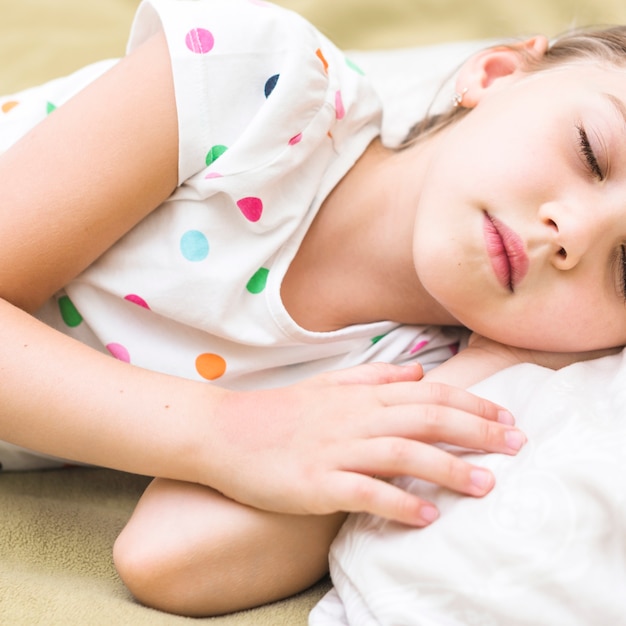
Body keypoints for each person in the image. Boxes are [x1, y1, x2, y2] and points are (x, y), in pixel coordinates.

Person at [0, 0, 621, 617]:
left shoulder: (418, 377)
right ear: (495, 74)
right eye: (591, 152)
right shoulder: (259, 86)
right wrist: (223, 431)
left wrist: (504, 355)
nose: (572, 234)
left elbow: (166, 557)